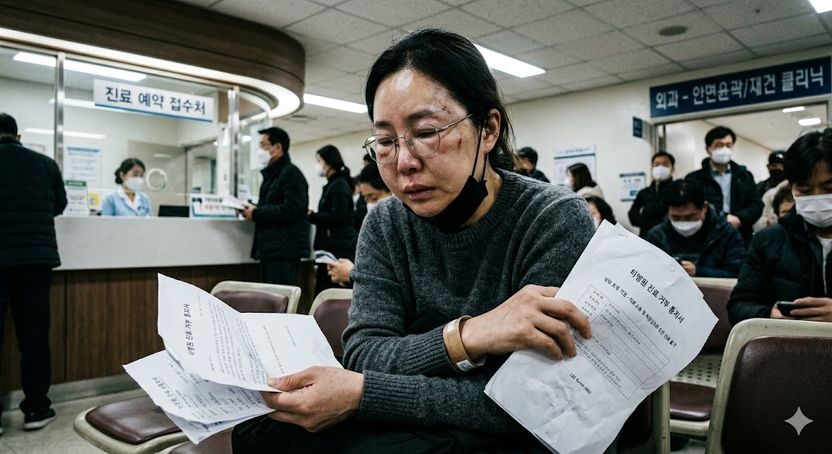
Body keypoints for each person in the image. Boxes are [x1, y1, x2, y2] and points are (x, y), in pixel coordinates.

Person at [231, 29, 598, 453]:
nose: (404, 162)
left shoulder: (551, 218)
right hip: (419, 420)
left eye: (426, 132)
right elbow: (365, 355)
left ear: (489, 129)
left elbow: (538, 400)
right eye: (385, 142)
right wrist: (473, 334)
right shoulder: (385, 224)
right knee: (261, 432)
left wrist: (367, 392)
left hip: (515, 433)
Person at [0, 113, 66, 432]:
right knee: (35, 339)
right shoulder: (45, 164)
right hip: (35, 262)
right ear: (18, 135)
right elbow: (59, 205)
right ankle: (37, 410)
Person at [728, 129, 832, 324]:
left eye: (829, 188)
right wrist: (769, 314)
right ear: (792, 188)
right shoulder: (768, 241)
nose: (817, 196)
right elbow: (739, 305)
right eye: (805, 189)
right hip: (790, 349)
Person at [240, 126, 310, 286]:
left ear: (277, 147)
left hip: (283, 250)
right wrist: (252, 209)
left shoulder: (291, 174)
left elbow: (292, 209)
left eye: (263, 145)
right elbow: (273, 204)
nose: (259, 150)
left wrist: (256, 213)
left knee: (281, 298)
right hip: (271, 248)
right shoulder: (273, 174)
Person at [645, 180, 744, 278]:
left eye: (690, 217)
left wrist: (699, 272)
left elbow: (737, 273)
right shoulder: (656, 236)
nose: (682, 223)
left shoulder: (726, 234)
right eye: (675, 217)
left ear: (704, 208)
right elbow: (647, 272)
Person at [684, 126, 762, 243]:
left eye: (728, 145)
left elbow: (756, 205)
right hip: (706, 237)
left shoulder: (744, 176)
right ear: (708, 149)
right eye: (719, 145)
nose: (725, 149)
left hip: (740, 236)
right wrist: (724, 218)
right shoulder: (694, 178)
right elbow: (692, 207)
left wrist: (739, 218)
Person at [328, 162, 393, 286]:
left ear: (391, 191)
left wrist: (352, 274)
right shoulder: (373, 228)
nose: (370, 204)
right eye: (366, 199)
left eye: (373, 198)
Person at [309, 144, 356, 294]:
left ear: (328, 163)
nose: (318, 166)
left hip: (337, 247)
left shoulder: (339, 185)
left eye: (319, 161)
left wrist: (312, 216)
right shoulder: (333, 185)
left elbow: (338, 216)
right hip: (331, 245)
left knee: (330, 293)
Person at [628, 151, 675, 238]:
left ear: (672, 168)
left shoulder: (677, 190)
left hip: (669, 241)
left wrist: (645, 210)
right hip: (646, 239)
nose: (660, 167)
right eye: (656, 164)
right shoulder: (644, 193)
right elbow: (633, 217)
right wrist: (659, 217)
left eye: (665, 164)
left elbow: (673, 219)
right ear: (652, 168)